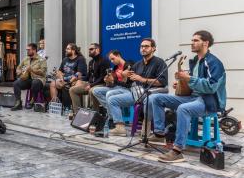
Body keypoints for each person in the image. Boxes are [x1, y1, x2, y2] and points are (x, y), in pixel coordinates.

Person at [149, 31, 226, 163]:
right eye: (192, 40)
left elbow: (211, 87)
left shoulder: (214, 62)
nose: (192, 43)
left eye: (196, 40)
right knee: (155, 98)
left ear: (206, 43)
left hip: (209, 101)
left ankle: (178, 150)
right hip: (192, 98)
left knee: (183, 109)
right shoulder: (195, 61)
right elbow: (193, 84)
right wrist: (181, 83)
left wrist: (188, 78)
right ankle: (159, 134)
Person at [106, 38, 168, 136]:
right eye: (142, 46)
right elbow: (128, 83)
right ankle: (120, 127)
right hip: (137, 94)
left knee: (149, 99)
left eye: (146, 46)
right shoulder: (137, 64)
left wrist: (143, 79)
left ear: (153, 48)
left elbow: (162, 82)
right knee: (112, 99)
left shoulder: (160, 62)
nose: (143, 48)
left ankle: (149, 128)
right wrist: (123, 76)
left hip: (151, 93)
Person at [69, 43, 111, 116]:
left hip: (101, 84)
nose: (89, 51)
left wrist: (91, 85)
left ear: (97, 50)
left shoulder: (104, 61)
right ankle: (78, 114)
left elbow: (102, 78)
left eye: (91, 49)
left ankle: (95, 115)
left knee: (92, 90)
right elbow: (88, 76)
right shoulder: (91, 62)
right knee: (72, 90)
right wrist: (79, 79)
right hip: (91, 84)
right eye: (89, 49)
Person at [92, 50, 132, 120]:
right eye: (110, 60)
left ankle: (111, 119)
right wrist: (108, 81)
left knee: (109, 93)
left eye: (113, 59)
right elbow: (113, 83)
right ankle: (114, 110)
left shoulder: (128, 65)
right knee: (95, 90)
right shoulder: (115, 68)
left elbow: (128, 84)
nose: (112, 61)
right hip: (116, 87)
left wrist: (114, 81)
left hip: (126, 89)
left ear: (118, 56)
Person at [11, 43, 47, 110]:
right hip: (27, 79)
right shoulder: (26, 59)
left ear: (34, 50)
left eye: (28, 50)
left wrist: (32, 70)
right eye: (27, 50)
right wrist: (19, 71)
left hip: (39, 80)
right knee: (16, 83)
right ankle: (18, 103)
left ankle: (32, 100)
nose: (27, 51)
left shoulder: (42, 60)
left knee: (35, 82)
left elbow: (43, 72)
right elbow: (18, 67)